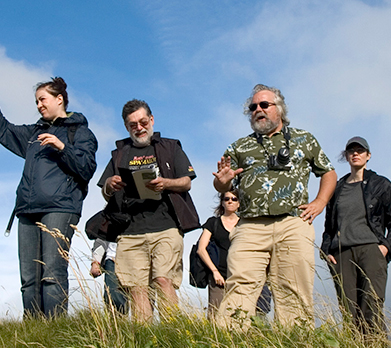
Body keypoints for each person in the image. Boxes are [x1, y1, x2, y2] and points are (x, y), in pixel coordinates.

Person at [213, 84, 337, 331]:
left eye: (264, 105)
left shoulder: (304, 139)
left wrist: (320, 202)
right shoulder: (239, 146)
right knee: (239, 286)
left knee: (293, 289)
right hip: (249, 226)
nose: (257, 110)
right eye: (253, 107)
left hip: (293, 222)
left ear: (279, 109)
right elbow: (221, 183)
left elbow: (328, 172)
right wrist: (223, 180)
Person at [0, 78, 98, 318]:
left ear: (59, 99)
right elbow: (4, 130)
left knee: (52, 272)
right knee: (29, 278)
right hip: (27, 209)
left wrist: (62, 147)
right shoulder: (34, 133)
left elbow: (87, 167)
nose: (39, 105)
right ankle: (35, 332)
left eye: (42, 99)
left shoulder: (81, 133)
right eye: (36, 101)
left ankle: (54, 329)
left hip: (60, 208)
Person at [99, 99, 199, 322]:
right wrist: (109, 185)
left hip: (166, 226)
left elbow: (186, 182)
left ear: (151, 120)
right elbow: (105, 191)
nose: (139, 128)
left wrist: (165, 183)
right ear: (127, 127)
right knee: (137, 289)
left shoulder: (171, 146)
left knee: (163, 280)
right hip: (130, 230)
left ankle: (174, 333)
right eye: (133, 124)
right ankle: (146, 339)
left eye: (143, 121)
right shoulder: (119, 153)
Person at [321, 137, 391, 334]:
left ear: (368, 155)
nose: (355, 154)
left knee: (371, 307)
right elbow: (329, 226)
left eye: (360, 150)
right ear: (346, 156)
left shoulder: (381, 184)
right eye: (351, 151)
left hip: (371, 250)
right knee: (348, 310)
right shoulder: (338, 188)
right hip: (342, 254)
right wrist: (326, 250)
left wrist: (385, 247)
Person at [197, 190, 272, 318]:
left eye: (234, 199)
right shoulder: (213, 223)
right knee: (216, 316)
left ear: (239, 203)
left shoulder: (246, 224)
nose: (230, 201)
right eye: (226, 199)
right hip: (219, 276)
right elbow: (201, 249)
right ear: (222, 203)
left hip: (243, 275)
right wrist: (214, 271)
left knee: (246, 315)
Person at [90, 239, 128, 314]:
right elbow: (102, 237)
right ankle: (117, 322)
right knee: (113, 297)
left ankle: (141, 324)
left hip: (141, 257)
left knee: (142, 298)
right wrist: (96, 261)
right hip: (113, 259)